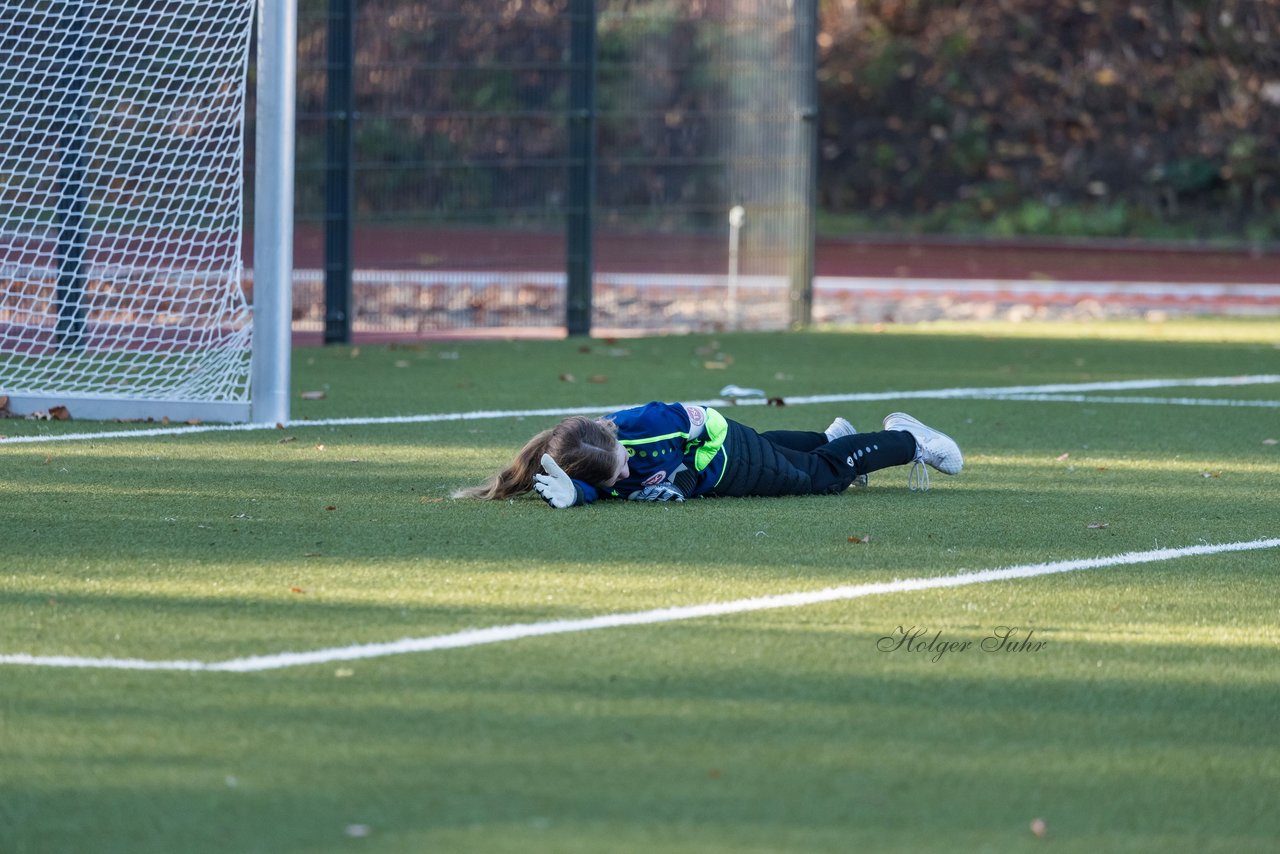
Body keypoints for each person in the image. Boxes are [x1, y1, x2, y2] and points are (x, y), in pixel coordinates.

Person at [453, 401, 963, 508]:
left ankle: (910, 439)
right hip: (728, 463)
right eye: (615, 479)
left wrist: (682, 476)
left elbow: (697, 420)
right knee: (794, 452)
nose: (625, 477)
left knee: (821, 479)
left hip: (726, 455)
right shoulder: (586, 462)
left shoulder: (649, 427)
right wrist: (581, 494)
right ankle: (834, 436)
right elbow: (598, 487)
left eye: (623, 465)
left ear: (617, 440)